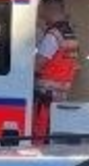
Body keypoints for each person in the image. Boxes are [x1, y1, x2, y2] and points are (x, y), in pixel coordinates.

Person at [34, 0, 80, 139]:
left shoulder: (53, 35)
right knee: (50, 136)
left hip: (46, 98)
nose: (39, 12)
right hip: (60, 97)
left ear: (49, 8)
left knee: (41, 138)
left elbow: (37, 64)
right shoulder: (71, 34)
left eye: (40, 7)